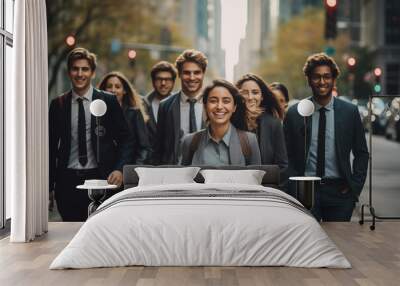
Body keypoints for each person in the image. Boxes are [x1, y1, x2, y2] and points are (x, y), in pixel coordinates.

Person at [49, 47, 134, 221]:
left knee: (100, 232)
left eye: (85, 69)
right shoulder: (58, 104)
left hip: (101, 178)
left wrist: (119, 169)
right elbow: (49, 147)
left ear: (93, 73)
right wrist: (49, 186)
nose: (80, 74)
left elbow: (127, 139)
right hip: (67, 182)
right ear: (69, 72)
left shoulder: (108, 101)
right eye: (75, 69)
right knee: (71, 233)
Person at [283, 53, 369, 222]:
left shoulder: (349, 112)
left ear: (333, 79)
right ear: (309, 80)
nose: (322, 82)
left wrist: (354, 188)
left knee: (338, 243)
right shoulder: (295, 113)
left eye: (326, 77)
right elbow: (287, 155)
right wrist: (291, 187)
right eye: (316, 77)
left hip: (340, 191)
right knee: (307, 243)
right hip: (305, 189)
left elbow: (361, 153)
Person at [181, 79, 261, 166]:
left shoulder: (250, 141)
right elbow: (185, 178)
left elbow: (255, 178)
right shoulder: (189, 142)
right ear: (205, 106)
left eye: (226, 101)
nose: (219, 106)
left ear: (234, 107)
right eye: (213, 101)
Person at [154, 49, 208, 165]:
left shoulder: (212, 104)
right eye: (187, 72)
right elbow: (158, 148)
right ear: (179, 74)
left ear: (203, 73)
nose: (192, 77)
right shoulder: (165, 106)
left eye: (197, 72)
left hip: (206, 174)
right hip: (174, 174)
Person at [235, 74, 287, 170]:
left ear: (262, 96)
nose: (250, 97)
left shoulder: (273, 124)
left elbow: (282, 166)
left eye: (255, 92)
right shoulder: (231, 122)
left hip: (265, 183)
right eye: (245, 93)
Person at [98, 71, 151, 164]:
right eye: (109, 86)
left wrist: (134, 169)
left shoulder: (134, 113)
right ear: (103, 90)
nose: (113, 90)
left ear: (124, 91)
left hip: (128, 170)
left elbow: (144, 147)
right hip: (103, 171)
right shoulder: (97, 113)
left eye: (117, 87)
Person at [143, 61, 177, 161]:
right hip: (147, 164)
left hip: (171, 165)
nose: (163, 83)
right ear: (153, 81)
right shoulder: (142, 105)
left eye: (167, 79)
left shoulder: (179, 105)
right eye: (159, 79)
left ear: (173, 82)